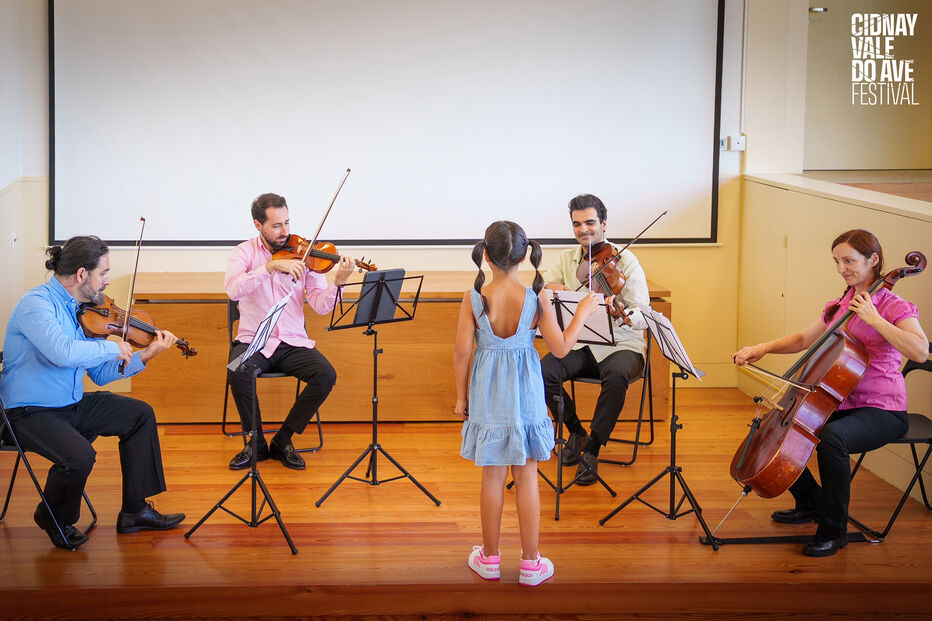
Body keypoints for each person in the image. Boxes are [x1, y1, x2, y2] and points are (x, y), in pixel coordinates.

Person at [733, 229, 927, 557]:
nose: (841, 268)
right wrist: (761, 348)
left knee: (833, 437)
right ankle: (812, 503)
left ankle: (834, 529)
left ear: (874, 260)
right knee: (786, 424)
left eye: (849, 261)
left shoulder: (895, 306)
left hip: (883, 409)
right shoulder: (840, 305)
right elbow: (803, 339)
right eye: (837, 261)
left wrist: (876, 320)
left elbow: (920, 351)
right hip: (840, 400)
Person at [0, 236, 186, 549]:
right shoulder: (37, 304)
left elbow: (100, 374)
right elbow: (62, 352)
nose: (108, 281)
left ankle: (134, 511)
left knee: (139, 414)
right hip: (27, 411)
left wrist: (147, 353)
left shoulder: (83, 311)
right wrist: (108, 346)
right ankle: (53, 516)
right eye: (104, 273)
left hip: (68, 405)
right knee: (80, 456)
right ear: (82, 275)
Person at [454, 220, 601, 586]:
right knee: (527, 476)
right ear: (524, 257)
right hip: (526, 395)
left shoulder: (474, 298)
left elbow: (461, 353)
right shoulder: (537, 298)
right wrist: (582, 312)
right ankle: (531, 564)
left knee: (492, 475)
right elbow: (561, 349)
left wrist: (461, 397)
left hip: (487, 394)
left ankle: (488, 559)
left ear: (485, 255)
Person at [225, 192, 356, 471]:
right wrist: (269, 267)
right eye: (276, 225)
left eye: (287, 222)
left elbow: (321, 306)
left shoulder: (305, 254)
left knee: (326, 375)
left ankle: (283, 439)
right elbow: (233, 289)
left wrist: (339, 283)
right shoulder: (243, 253)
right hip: (253, 340)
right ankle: (254, 442)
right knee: (237, 370)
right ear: (258, 225)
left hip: (292, 341)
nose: (285, 232)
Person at [540, 194, 651, 485]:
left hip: (622, 345)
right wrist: (561, 288)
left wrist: (621, 312)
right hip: (581, 343)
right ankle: (576, 431)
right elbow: (542, 283)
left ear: (603, 223)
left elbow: (643, 311)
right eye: (577, 224)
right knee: (543, 372)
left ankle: (592, 450)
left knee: (615, 376)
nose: (583, 230)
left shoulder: (625, 261)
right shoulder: (568, 259)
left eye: (589, 222)